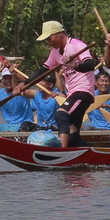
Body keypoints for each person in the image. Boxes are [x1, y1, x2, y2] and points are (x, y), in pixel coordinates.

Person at [31, 20, 97, 148]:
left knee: (61, 115)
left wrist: (76, 65)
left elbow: (90, 65)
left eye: (50, 38)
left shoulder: (77, 45)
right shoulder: (55, 52)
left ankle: (62, 150)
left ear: (60, 33)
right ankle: (92, 155)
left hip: (83, 92)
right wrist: (24, 84)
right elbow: (43, 70)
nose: (49, 42)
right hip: (71, 94)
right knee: (73, 133)